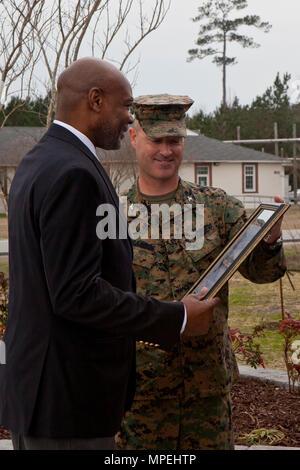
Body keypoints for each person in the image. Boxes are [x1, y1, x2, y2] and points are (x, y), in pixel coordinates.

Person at [0, 60, 220, 451]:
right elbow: (76, 295)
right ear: (96, 100)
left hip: (44, 396)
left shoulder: (40, 161)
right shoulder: (73, 173)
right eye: (126, 106)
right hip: (69, 405)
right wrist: (178, 317)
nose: (130, 119)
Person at [117, 94, 287, 450]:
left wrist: (269, 241)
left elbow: (260, 272)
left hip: (206, 394)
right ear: (134, 138)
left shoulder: (217, 207)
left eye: (174, 141)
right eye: (156, 140)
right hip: (141, 397)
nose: (166, 150)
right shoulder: (114, 217)